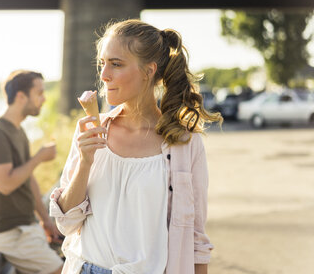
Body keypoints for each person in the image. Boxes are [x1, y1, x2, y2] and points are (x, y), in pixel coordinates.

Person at [49, 20, 222, 274]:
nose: (104, 74)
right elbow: (66, 223)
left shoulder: (184, 144)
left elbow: (196, 240)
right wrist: (85, 161)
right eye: (102, 63)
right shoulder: (90, 130)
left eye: (116, 64)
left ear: (148, 70)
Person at [0, 70, 63, 274]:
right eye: (39, 93)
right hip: (10, 232)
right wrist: (39, 157)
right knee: (66, 271)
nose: (44, 99)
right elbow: (5, 185)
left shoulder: (18, 130)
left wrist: (46, 221)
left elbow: (27, 178)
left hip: (26, 227)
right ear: (21, 96)